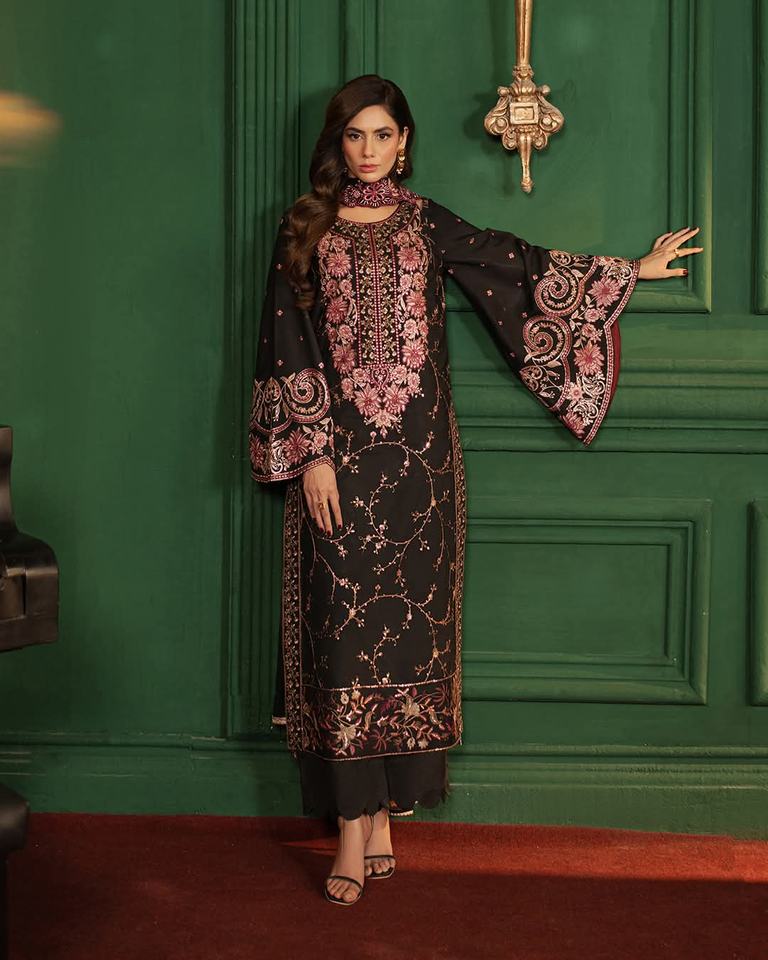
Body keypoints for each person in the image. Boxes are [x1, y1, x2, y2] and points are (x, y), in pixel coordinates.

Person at [248, 74, 704, 905]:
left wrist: (630, 271)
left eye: (383, 135)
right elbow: (286, 342)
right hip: (339, 463)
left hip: (422, 469)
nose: (369, 150)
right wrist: (310, 452)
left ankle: (384, 813)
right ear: (337, 144)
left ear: (404, 144)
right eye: (354, 135)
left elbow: (515, 265)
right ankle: (349, 826)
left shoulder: (427, 223)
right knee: (340, 636)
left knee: (407, 639)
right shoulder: (305, 228)